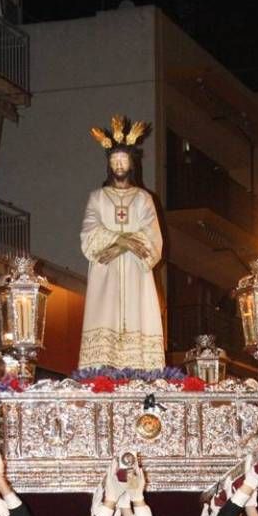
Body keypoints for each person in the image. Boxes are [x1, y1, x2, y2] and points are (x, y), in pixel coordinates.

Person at [79, 115, 164, 370]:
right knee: (103, 315)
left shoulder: (143, 199)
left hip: (137, 272)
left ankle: (141, 369)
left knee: (140, 317)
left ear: (131, 164)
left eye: (123, 159)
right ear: (109, 165)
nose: (118, 164)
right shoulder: (97, 198)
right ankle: (101, 371)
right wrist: (122, 240)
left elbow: (152, 234)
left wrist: (122, 246)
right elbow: (89, 231)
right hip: (106, 273)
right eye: (114, 160)